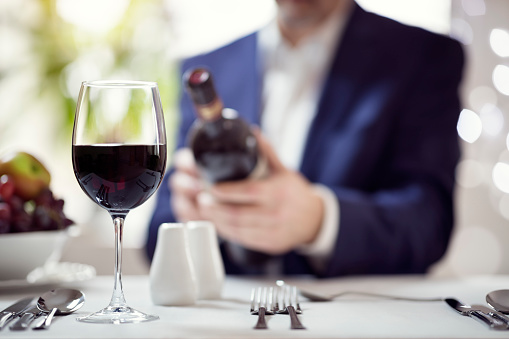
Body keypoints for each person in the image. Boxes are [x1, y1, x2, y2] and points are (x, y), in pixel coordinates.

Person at [145, 0, 465, 277]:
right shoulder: (208, 69)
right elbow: (155, 236)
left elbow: (429, 222)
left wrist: (319, 219)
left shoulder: (424, 55)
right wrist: (190, 215)